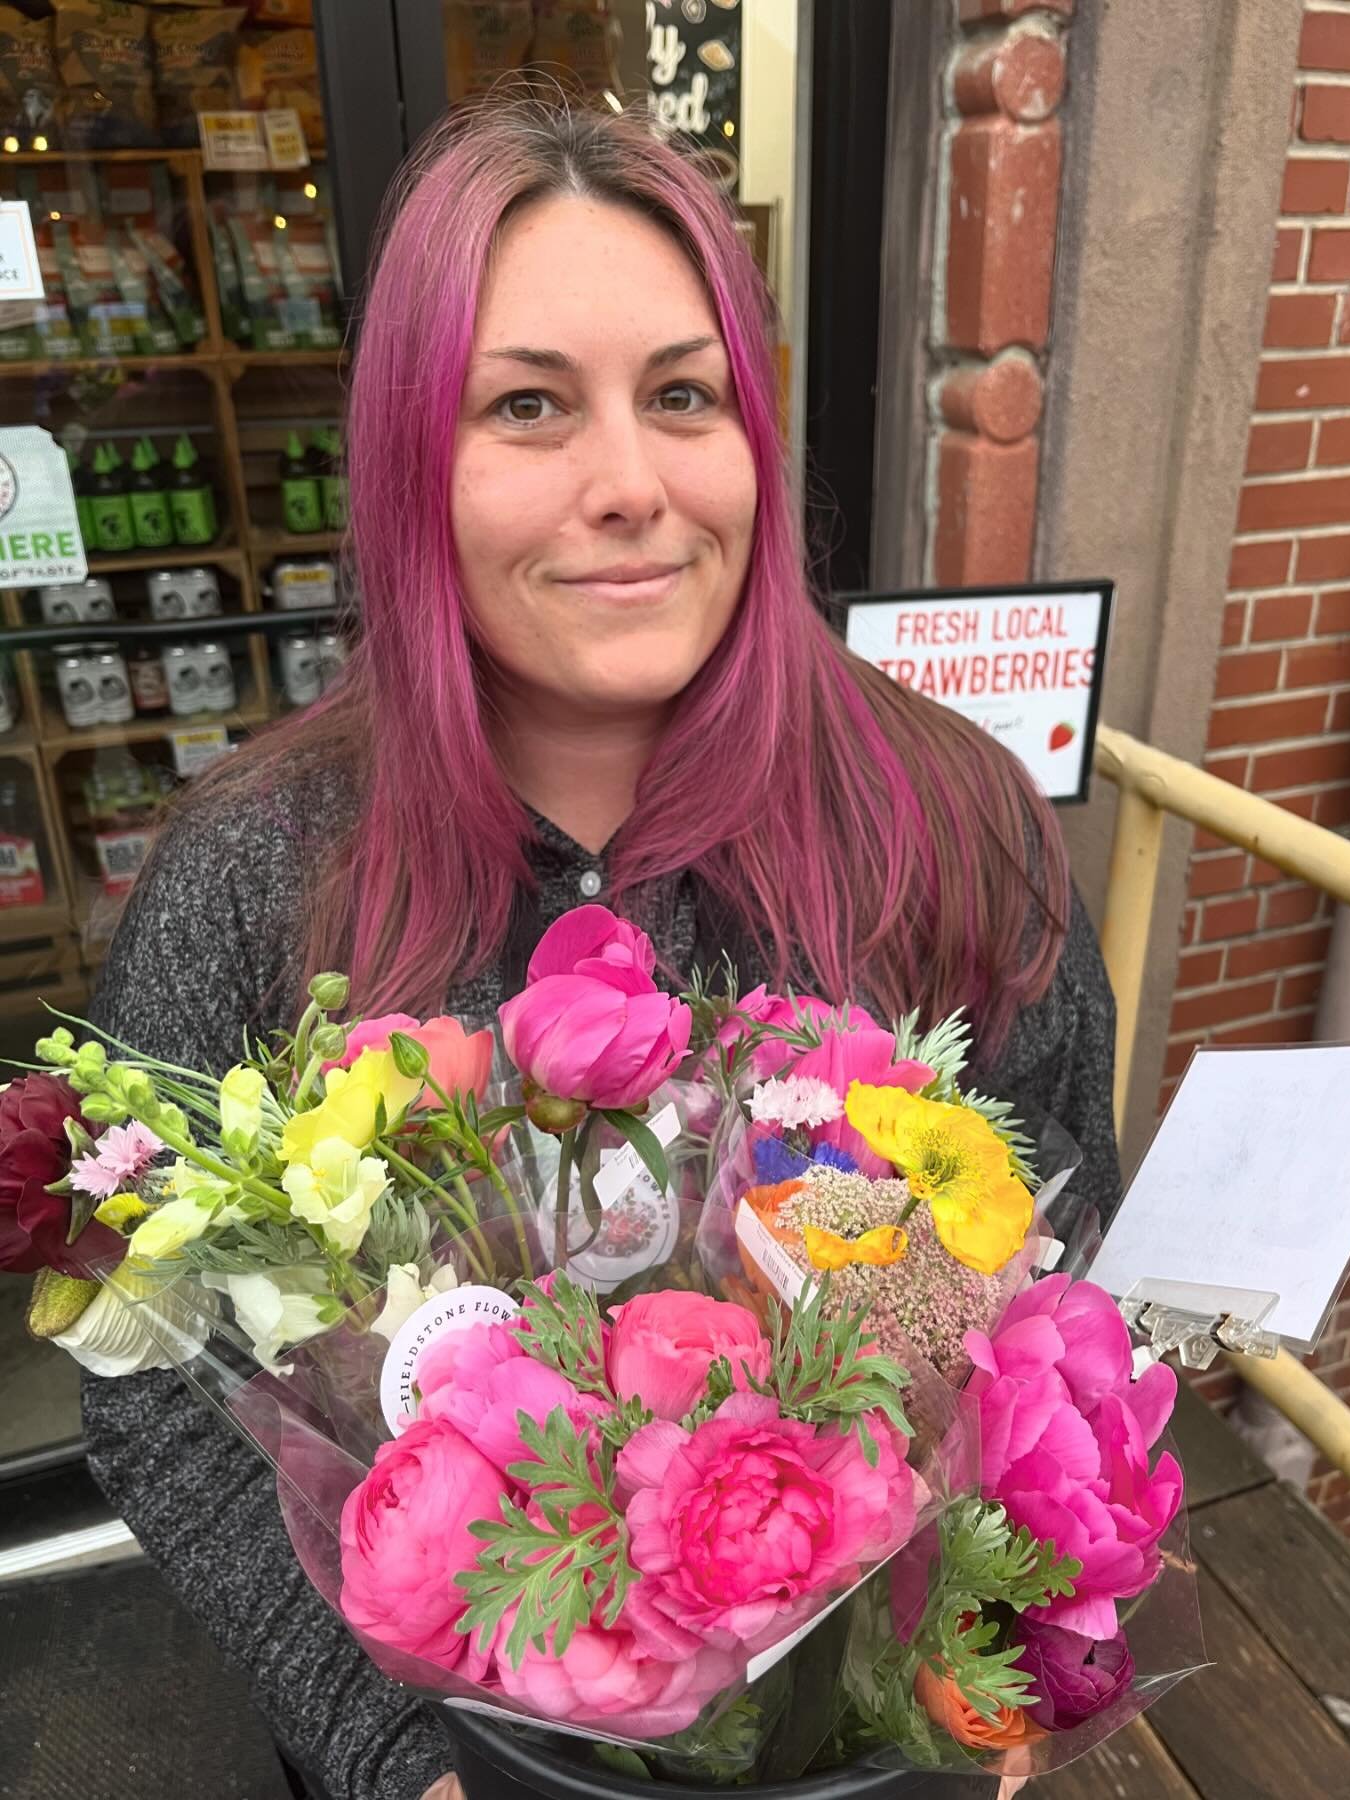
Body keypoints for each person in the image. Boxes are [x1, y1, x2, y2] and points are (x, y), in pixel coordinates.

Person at [83, 100, 1120, 1800]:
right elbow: (166, 1395)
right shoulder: (254, 878)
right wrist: (393, 1756)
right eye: (527, 406)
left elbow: (1071, 1231)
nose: (629, 486)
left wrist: (988, 1666)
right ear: (415, 459)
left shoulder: (952, 819)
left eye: (684, 396)